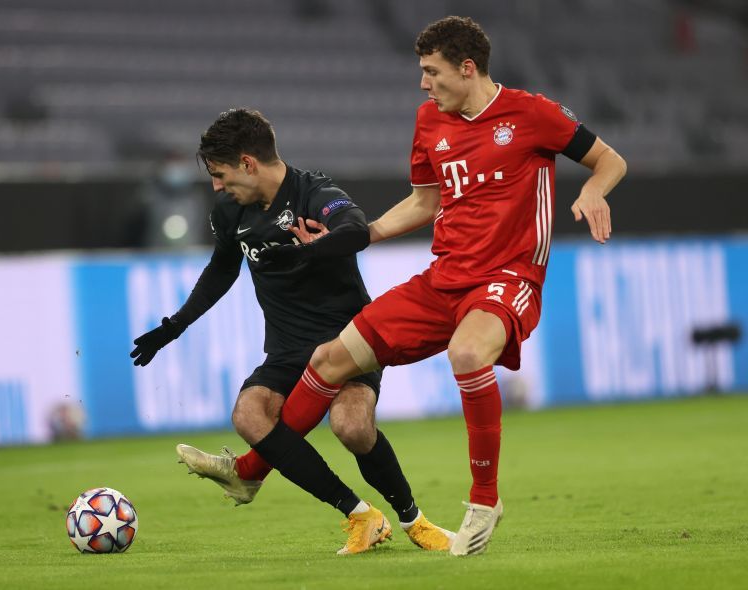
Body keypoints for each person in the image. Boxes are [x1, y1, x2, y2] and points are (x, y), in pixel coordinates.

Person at [227, 16, 628, 557]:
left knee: (466, 352)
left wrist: (596, 191)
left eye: (431, 71)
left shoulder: (532, 114)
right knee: (327, 361)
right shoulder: (429, 122)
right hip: (442, 281)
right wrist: (362, 233)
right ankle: (250, 473)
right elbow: (425, 201)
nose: (424, 83)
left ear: (467, 69)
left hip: (507, 277)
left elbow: (610, 159)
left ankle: (484, 499)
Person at [130, 108, 454, 555]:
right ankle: (360, 515)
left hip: (347, 342)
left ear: (248, 163)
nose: (217, 186)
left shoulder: (314, 191)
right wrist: (175, 326)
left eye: (221, 174)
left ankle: (414, 521)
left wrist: (307, 252)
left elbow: (355, 229)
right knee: (248, 414)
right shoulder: (229, 210)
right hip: (285, 349)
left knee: (352, 427)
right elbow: (221, 270)